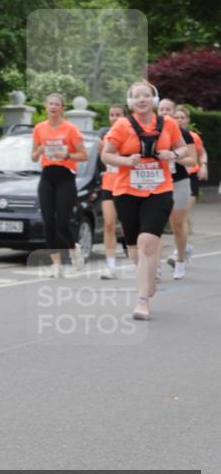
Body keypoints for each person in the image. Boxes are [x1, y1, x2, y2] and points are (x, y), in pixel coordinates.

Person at [101, 81, 195, 320]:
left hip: (160, 189)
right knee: (134, 249)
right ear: (130, 101)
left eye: (146, 95)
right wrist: (126, 161)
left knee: (147, 243)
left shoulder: (168, 124)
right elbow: (107, 154)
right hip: (126, 191)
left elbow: (186, 151)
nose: (142, 99)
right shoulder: (122, 125)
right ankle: (148, 276)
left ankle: (142, 300)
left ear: (153, 100)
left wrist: (173, 154)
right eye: (136, 96)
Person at [31, 93, 88, 275]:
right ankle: (56, 264)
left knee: (62, 222)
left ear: (63, 108)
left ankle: (73, 249)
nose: (53, 107)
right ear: (46, 107)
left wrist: (67, 155)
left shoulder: (70, 129)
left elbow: (84, 155)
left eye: (57, 104)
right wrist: (39, 150)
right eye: (50, 104)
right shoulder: (39, 128)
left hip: (65, 177)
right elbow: (33, 157)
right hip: (47, 176)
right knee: (48, 221)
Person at [156, 98, 194, 279]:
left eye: (167, 109)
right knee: (155, 225)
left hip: (179, 181)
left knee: (177, 225)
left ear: (173, 112)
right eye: (161, 109)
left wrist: (173, 157)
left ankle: (180, 261)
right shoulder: (150, 132)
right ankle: (156, 266)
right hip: (157, 182)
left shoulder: (183, 134)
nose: (164, 112)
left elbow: (192, 160)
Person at [171, 104, 208, 262]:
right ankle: (184, 247)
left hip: (190, 178)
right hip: (174, 179)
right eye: (176, 117)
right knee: (176, 221)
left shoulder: (192, 136)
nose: (179, 120)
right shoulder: (168, 135)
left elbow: (202, 153)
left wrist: (204, 166)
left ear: (187, 120)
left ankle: (177, 253)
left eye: (182, 117)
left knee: (183, 216)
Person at [98, 104, 126, 279]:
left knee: (130, 226)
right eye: (111, 115)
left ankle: (148, 263)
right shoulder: (105, 139)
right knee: (108, 224)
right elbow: (104, 160)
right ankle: (111, 266)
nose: (114, 118)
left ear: (125, 117)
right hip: (109, 184)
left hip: (126, 184)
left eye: (118, 115)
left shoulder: (130, 135)